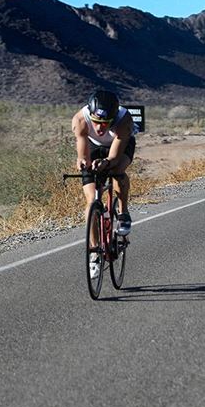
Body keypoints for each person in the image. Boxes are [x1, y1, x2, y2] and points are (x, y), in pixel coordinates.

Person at [71, 89, 136, 278]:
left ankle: (123, 212)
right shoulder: (80, 120)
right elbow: (83, 155)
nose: (100, 128)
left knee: (117, 170)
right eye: (96, 122)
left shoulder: (124, 121)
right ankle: (94, 252)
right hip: (93, 145)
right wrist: (83, 162)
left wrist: (107, 163)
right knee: (91, 201)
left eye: (105, 123)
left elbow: (114, 157)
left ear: (113, 119)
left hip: (119, 143)